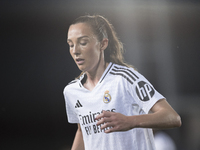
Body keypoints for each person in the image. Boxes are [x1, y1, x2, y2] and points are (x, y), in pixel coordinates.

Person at [63, 14, 181, 150]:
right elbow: (82, 131)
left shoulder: (125, 78)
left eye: (83, 43)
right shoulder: (71, 91)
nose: (75, 51)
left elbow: (172, 117)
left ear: (103, 44)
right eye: (71, 45)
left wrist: (130, 121)